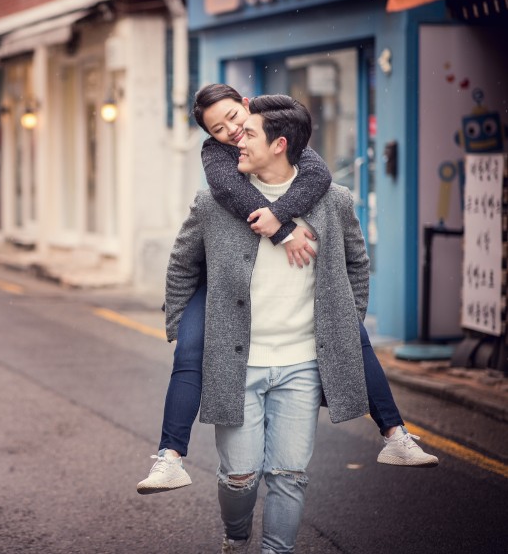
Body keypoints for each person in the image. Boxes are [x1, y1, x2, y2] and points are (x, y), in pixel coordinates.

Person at [137, 85, 437, 497]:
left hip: (285, 280)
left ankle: (395, 434)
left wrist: (279, 217)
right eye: (218, 128)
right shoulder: (217, 157)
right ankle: (169, 458)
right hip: (219, 286)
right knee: (188, 353)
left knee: (352, 334)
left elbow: (318, 176)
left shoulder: (277, 131)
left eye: (233, 117)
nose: (231, 131)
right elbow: (230, 193)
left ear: (246, 104)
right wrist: (281, 231)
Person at [159, 94, 374, 552]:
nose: (233, 135)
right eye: (219, 130)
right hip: (239, 365)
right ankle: (236, 540)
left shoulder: (329, 199)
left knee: (290, 476)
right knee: (240, 478)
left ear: (276, 141)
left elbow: (356, 263)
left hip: (301, 363)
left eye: (239, 123)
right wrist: (184, 328)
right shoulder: (216, 197)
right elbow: (182, 265)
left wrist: (346, 323)